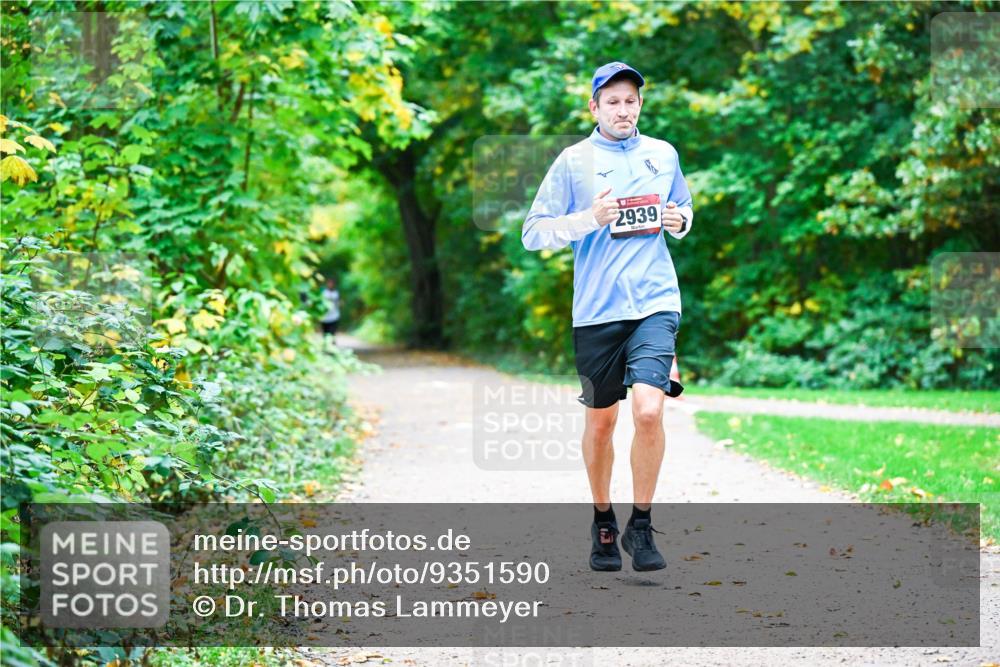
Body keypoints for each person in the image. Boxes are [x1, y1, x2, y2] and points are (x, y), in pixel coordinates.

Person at [521, 62, 694, 572]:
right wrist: (588, 220)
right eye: (613, 101)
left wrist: (679, 219)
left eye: (631, 100)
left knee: (648, 411)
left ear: (641, 105)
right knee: (601, 426)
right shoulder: (573, 161)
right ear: (594, 107)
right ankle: (603, 520)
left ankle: (641, 525)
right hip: (597, 311)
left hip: (655, 302)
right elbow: (533, 232)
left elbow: (683, 208)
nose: (624, 109)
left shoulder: (662, 154)